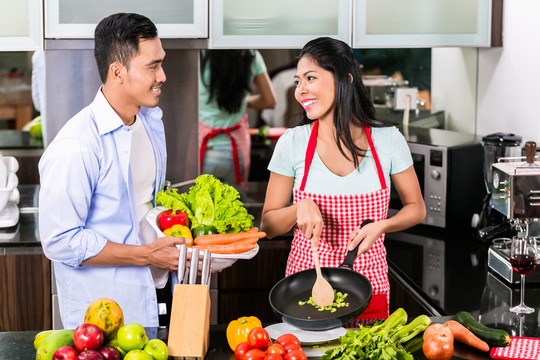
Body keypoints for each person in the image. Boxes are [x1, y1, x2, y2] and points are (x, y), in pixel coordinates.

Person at [38, 13, 188, 329]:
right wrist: (146, 255)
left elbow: (143, 208)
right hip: (105, 314)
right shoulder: (78, 144)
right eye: (152, 66)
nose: (162, 75)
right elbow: (60, 241)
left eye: (161, 63)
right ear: (117, 71)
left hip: (159, 290)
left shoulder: (150, 123)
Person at [260, 37, 426, 322]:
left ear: (345, 79)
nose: (301, 90)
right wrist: (298, 208)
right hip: (306, 289)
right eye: (298, 81)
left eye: (310, 78)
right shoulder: (293, 142)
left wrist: (382, 225)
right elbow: (269, 225)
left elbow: (417, 208)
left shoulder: (388, 140)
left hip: (369, 288)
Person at [199, 49, 276, 199]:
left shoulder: (200, 53)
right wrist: (243, 101)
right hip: (236, 149)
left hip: (204, 147)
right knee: (236, 207)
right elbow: (269, 100)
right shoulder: (251, 55)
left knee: (203, 206)